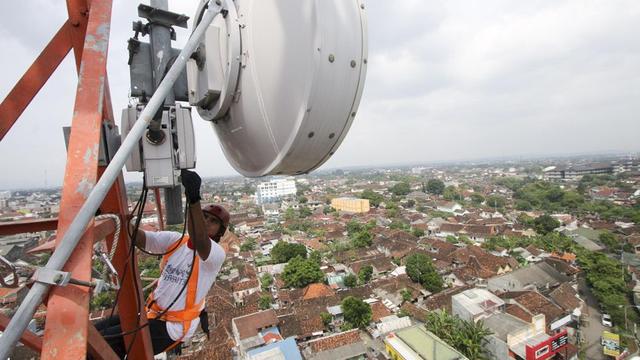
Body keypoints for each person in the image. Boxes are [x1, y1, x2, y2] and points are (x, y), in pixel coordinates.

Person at [96, 170, 230, 357]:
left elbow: (200, 238)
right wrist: (117, 218)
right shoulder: (176, 241)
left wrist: (193, 199)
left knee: (101, 345)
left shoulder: (215, 255)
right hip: (152, 313)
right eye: (204, 217)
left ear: (219, 232)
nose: (207, 222)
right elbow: (140, 239)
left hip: (173, 326)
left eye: (213, 221)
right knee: (94, 333)